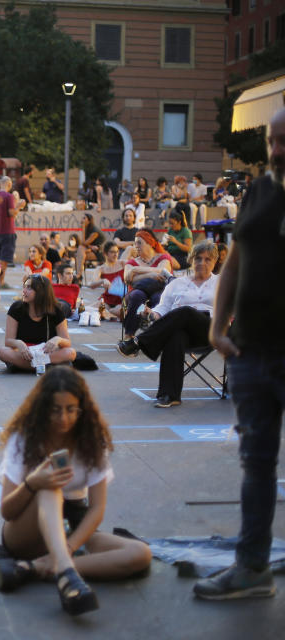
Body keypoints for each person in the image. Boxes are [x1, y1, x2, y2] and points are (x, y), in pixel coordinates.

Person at [196, 110, 285, 600]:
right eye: (273, 140)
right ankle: (253, 567)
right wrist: (215, 324)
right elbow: (235, 261)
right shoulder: (259, 189)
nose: (276, 150)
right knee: (256, 463)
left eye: (284, 141)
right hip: (250, 349)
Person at [0, 367, 151, 616]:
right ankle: (66, 573)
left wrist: (70, 545)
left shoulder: (91, 439)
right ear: (42, 408)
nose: (64, 418)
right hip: (25, 528)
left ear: (81, 409)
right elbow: (7, 511)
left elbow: (97, 508)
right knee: (50, 486)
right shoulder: (23, 438)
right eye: (55, 410)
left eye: (70, 409)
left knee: (140, 553)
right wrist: (33, 482)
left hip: (72, 525)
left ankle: (39, 567)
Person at [117, 242, 218, 408]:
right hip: (182, 329)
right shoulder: (176, 284)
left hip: (211, 329)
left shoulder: (222, 283)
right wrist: (152, 314)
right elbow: (162, 309)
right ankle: (169, 395)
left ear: (214, 262)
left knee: (185, 311)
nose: (202, 263)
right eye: (198, 258)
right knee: (175, 336)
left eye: (208, 259)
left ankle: (138, 342)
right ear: (191, 260)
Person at [0, 274, 76, 371]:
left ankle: (28, 367)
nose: (24, 291)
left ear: (41, 292)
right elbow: (8, 341)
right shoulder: (16, 308)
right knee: (2, 352)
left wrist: (57, 339)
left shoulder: (56, 309)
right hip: (24, 354)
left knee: (70, 352)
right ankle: (44, 366)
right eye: (24, 287)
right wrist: (19, 344)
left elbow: (67, 342)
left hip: (46, 353)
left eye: (29, 288)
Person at [121, 230, 173, 340]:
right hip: (138, 291)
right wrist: (152, 274)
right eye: (135, 243)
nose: (136, 246)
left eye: (139, 243)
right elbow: (128, 278)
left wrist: (136, 270)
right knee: (137, 296)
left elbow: (163, 271)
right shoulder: (131, 262)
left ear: (150, 243)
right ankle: (129, 335)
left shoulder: (163, 258)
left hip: (159, 290)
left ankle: (158, 335)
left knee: (158, 298)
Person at [0, 178, 22, 284]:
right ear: (8, 184)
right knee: (5, 258)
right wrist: (19, 207)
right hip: (8, 230)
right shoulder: (9, 196)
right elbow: (12, 213)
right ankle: (0, 281)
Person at [84, 243, 125, 320]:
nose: (115, 254)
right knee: (86, 311)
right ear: (105, 253)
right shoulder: (101, 269)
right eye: (112, 252)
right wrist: (103, 280)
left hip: (121, 300)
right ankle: (107, 313)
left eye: (117, 252)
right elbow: (91, 285)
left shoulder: (123, 263)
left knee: (117, 311)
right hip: (107, 299)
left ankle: (108, 313)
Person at [75, 213, 106, 278]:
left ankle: (78, 275)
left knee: (79, 254)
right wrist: (90, 246)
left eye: (84, 218)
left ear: (89, 221)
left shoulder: (94, 232)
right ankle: (79, 275)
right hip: (92, 250)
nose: (82, 220)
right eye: (82, 218)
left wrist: (83, 229)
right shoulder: (87, 229)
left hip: (99, 253)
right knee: (79, 253)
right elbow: (85, 244)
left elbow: (84, 243)